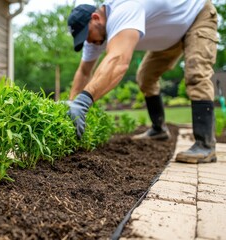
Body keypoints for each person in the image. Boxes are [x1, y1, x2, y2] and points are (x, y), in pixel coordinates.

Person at [66, 0, 218, 164]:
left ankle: (205, 145)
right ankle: (159, 130)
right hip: (169, 36)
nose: (88, 41)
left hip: (197, 15)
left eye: (87, 35)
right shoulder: (95, 36)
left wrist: (82, 103)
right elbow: (84, 71)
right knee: (145, 77)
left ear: (96, 18)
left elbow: (119, 61)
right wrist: (71, 104)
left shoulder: (124, 9)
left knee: (196, 74)